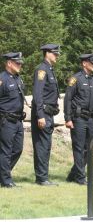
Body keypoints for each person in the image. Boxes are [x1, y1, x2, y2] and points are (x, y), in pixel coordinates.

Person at [64, 53, 93, 185]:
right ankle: (80, 177)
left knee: (89, 148)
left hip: (90, 119)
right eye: (92, 63)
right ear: (84, 63)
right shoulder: (76, 79)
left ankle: (73, 174)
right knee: (79, 148)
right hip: (78, 118)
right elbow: (68, 99)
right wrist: (68, 118)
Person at [31, 44, 60, 186]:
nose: (57, 56)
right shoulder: (42, 70)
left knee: (46, 146)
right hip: (43, 114)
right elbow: (37, 95)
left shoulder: (50, 70)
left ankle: (44, 177)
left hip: (49, 113)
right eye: (55, 53)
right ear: (47, 53)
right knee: (42, 146)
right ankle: (41, 178)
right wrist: (40, 115)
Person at [0, 52, 25, 188]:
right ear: (9, 63)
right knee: (6, 150)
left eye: (20, 63)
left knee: (18, 149)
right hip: (6, 120)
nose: (20, 65)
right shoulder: (2, 79)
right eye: (17, 63)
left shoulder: (17, 79)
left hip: (18, 121)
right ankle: (6, 180)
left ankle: (3, 174)